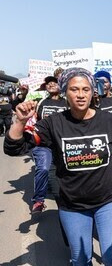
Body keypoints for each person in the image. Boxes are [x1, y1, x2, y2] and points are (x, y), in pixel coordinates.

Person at [4, 67, 112, 266]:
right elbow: (15, 148)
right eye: (74, 89)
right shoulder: (52, 124)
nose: (80, 94)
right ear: (65, 92)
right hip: (72, 203)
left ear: (93, 92)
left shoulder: (107, 120)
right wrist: (19, 122)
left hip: (109, 198)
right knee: (80, 256)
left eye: (85, 89)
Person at [29, 76, 68, 213]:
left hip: (63, 145)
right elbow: (32, 121)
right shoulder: (40, 103)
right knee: (44, 168)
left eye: (54, 83)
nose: (51, 85)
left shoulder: (67, 103)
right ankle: (38, 200)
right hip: (44, 144)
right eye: (48, 84)